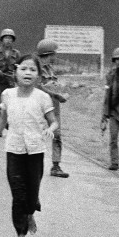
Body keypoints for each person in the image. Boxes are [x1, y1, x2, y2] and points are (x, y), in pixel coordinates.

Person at [0, 54, 59, 237]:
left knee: (31, 195)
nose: (28, 73)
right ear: (16, 72)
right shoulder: (8, 95)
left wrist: (51, 128)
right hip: (14, 150)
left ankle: (31, 212)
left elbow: (54, 121)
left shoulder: (43, 97)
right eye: (24, 68)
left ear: (38, 75)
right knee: (18, 195)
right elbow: (1, 122)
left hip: (35, 151)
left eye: (33, 70)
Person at [34, 38, 71, 178]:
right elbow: (38, 87)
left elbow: (52, 84)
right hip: (40, 106)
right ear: (48, 53)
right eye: (53, 54)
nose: (55, 56)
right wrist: (56, 94)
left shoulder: (50, 68)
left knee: (57, 135)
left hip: (53, 107)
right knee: (37, 135)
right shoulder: (36, 68)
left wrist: (61, 94)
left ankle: (56, 166)